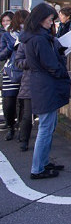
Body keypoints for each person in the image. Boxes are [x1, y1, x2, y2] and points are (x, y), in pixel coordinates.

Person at [21, 3, 71, 179]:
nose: (52, 23)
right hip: (46, 85)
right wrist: (63, 66)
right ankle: (37, 168)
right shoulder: (39, 39)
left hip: (41, 84)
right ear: (41, 19)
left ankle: (43, 162)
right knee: (46, 127)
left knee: (49, 125)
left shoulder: (32, 37)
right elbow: (51, 65)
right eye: (50, 20)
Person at [0, 9, 29, 140]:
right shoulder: (6, 35)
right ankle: (10, 126)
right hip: (10, 72)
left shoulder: (29, 35)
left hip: (25, 71)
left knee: (23, 103)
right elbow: (1, 55)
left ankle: (21, 131)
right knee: (9, 102)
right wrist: (12, 46)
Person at [14, 42, 33, 151]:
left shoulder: (49, 39)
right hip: (29, 83)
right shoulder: (25, 42)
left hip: (46, 83)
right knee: (27, 114)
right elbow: (18, 62)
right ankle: (24, 139)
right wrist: (33, 61)